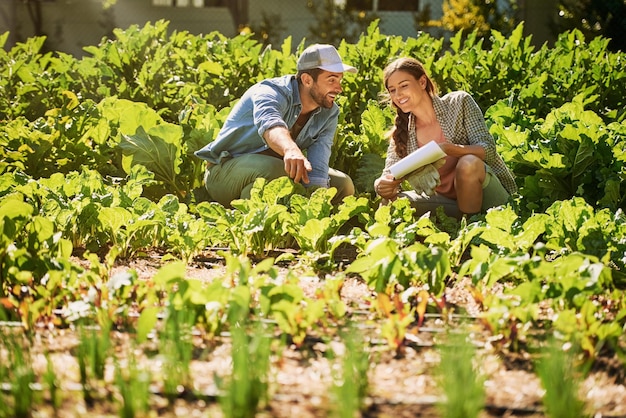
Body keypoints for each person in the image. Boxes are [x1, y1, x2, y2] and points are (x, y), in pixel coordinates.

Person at [195, 44, 357, 207]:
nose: (339, 88)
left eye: (340, 79)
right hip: (224, 172)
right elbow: (270, 125)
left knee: (343, 185)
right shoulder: (270, 92)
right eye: (332, 80)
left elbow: (318, 165)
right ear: (307, 80)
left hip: (278, 171)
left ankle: (292, 224)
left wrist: (315, 204)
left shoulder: (329, 112)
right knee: (276, 170)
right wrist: (290, 149)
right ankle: (250, 225)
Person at [373, 57, 517, 218]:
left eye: (404, 86)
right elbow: (388, 174)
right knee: (393, 203)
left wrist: (448, 149)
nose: (398, 95)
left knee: (468, 163)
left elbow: (488, 149)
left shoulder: (459, 103)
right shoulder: (402, 132)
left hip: (490, 199)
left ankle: (469, 231)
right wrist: (381, 186)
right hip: (448, 203)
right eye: (392, 90)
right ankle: (458, 229)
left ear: (422, 82)